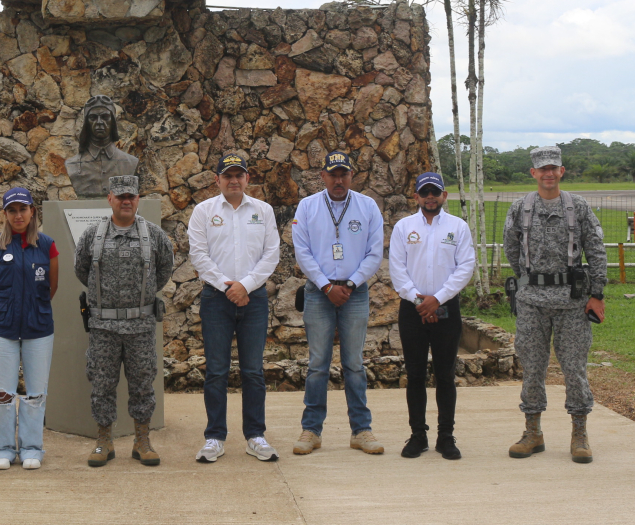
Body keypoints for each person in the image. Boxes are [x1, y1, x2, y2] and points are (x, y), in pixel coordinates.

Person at [502, 145, 607, 463]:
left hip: (572, 303)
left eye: (553, 168)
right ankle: (532, 432)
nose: (548, 173)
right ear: (533, 173)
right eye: (542, 169)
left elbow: (596, 249)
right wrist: (526, 282)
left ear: (562, 171)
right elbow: (511, 247)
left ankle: (579, 433)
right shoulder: (520, 208)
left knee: (574, 370)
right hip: (532, 302)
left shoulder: (579, 207)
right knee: (532, 369)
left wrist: (597, 294)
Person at [186, 153, 281, 463]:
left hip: (253, 299)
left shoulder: (263, 211)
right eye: (228, 175)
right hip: (217, 298)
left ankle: (255, 436)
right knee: (216, 371)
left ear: (247, 179)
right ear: (218, 180)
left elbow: (271, 255)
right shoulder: (203, 211)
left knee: (253, 371)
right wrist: (229, 285)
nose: (234, 180)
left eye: (239, 174)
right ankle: (214, 437)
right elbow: (198, 255)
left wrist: (246, 285)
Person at [75, 175, 175, 467]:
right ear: (110, 199)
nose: (127, 201)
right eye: (120, 196)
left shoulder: (155, 236)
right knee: (102, 384)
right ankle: (103, 440)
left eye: (131, 196)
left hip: (141, 327)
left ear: (138, 199)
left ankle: (142, 440)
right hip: (103, 328)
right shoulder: (92, 235)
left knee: (143, 383)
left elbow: (164, 271)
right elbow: (83, 270)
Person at [291, 151, 385, 456]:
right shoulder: (307, 207)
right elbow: (302, 251)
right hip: (319, 292)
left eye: (344, 174)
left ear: (352, 175)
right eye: (333, 174)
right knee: (318, 364)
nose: (339, 180)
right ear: (323, 176)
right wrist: (326, 285)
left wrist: (351, 282)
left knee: (354, 364)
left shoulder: (367, 206)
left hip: (354, 292)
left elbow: (374, 252)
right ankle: (311, 430)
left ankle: (361, 430)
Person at [387, 171, 475, 460]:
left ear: (444, 196)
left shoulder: (458, 227)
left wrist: (437, 299)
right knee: (414, 375)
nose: (430, 198)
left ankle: (446, 436)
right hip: (412, 310)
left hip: (446, 309)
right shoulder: (404, 227)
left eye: (435, 193)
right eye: (424, 193)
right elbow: (397, 268)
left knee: (445, 375)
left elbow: (465, 267)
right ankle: (417, 435)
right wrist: (419, 300)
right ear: (416, 197)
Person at [0, 187, 58, 470]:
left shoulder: (47, 245)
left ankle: (31, 448)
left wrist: (30, 309)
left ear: (32, 212)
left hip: (38, 327)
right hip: (3, 327)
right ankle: (1, 448)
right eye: (12, 210)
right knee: (1, 392)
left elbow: (51, 286)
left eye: (23, 209)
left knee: (36, 393)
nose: (18, 215)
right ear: (5, 214)